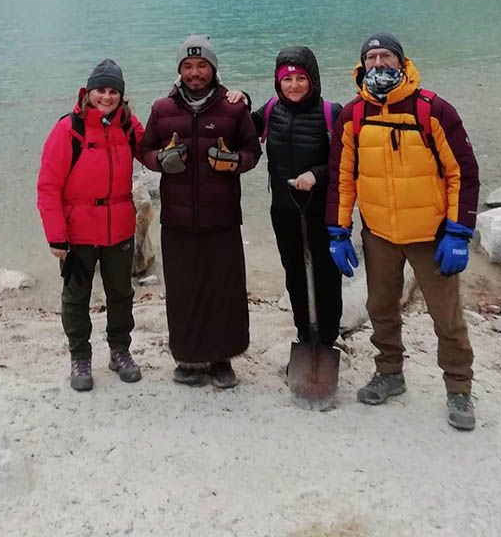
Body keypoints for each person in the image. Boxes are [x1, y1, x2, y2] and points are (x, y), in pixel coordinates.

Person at [326, 33, 479, 430]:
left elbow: (462, 170)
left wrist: (459, 231)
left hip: (431, 235)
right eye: (371, 57)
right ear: (361, 65)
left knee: (446, 316)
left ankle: (459, 387)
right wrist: (339, 231)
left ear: (401, 61)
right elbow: (342, 179)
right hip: (378, 233)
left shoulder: (433, 110)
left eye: (386, 56)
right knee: (380, 307)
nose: (379, 64)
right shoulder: (354, 116)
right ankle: (390, 372)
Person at [141, 35, 261, 389]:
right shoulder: (162, 109)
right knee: (183, 290)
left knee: (224, 289)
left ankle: (223, 359)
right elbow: (144, 148)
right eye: (188, 66)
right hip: (177, 220)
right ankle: (189, 359)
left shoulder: (233, 108)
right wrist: (160, 161)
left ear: (213, 68)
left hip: (222, 217)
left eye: (202, 66)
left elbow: (253, 151)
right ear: (179, 70)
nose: (195, 73)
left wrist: (236, 162)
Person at [36, 59, 144, 392]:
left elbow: (154, 151)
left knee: (122, 293)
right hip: (79, 233)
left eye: (114, 91)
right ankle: (80, 356)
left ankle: (120, 350)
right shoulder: (69, 129)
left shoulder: (127, 126)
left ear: (122, 96)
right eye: (101, 90)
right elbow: (48, 186)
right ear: (88, 92)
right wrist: (56, 237)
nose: (107, 97)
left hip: (119, 229)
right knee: (75, 298)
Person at [242, 47, 343, 349]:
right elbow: (241, 129)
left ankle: (327, 338)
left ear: (313, 80)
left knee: (326, 274)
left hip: (320, 209)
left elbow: (347, 163)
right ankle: (304, 333)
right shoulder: (272, 109)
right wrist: (239, 98)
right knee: (295, 273)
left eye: (301, 78)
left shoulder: (330, 113)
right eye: (287, 79)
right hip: (284, 210)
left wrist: (316, 174)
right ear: (278, 82)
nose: (294, 85)